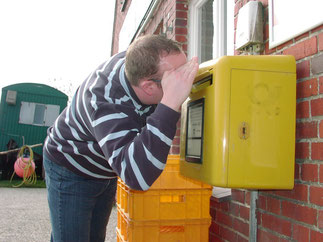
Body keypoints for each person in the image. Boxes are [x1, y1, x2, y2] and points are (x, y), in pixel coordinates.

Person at [43, 34, 199, 242]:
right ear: (149, 87)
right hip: (71, 167)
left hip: (105, 167)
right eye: (177, 76)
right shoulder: (105, 101)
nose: (186, 78)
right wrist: (170, 103)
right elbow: (138, 176)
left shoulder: (142, 62)